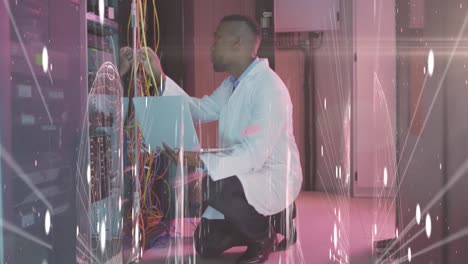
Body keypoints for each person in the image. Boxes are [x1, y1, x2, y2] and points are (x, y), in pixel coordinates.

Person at [121, 14, 302, 263]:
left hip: (271, 174)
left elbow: (254, 153)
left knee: (213, 183)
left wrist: (202, 160)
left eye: (217, 39)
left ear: (238, 43)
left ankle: (263, 235)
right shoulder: (233, 85)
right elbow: (201, 109)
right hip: (243, 175)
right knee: (206, 245)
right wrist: (159, 76)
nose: (212, 47)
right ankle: (273, 217)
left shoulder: (269, 88)